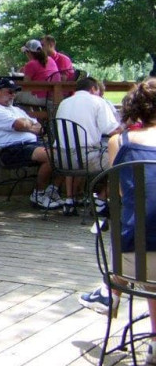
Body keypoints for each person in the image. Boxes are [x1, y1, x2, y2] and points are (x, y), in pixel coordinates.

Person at [78, 79, 156, 362]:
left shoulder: (119, 142)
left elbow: (124, 194)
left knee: (141, 234)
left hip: (136, 260)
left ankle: (108, 291)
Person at [0, 78, 62, 209]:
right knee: (52, 156)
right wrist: (28, 125)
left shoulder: (17, 110)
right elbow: (19, 124)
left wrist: (27, 125)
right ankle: (38, 194)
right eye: (9, 92)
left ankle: (52, 191)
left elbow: (40, 128)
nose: (13, 95)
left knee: (67, 154)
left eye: (14, 92)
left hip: (31, 145)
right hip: (12, 150)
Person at [54, 76, 122, 215]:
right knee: (123, 159)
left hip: (60, 159)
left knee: (77, 149)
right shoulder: (97, 101)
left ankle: (69, 200)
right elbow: (111, 130)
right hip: (85, 160)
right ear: (93, 89)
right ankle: (101, 201)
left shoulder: (64, 103)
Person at [16, 39, 60, 106]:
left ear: (29, 52)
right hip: (52, 98)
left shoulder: (31, 64)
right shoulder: (50, 60)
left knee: (12, 94)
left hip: (39, 98)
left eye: (25, 52)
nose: (26, 55)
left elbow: (26, 85)